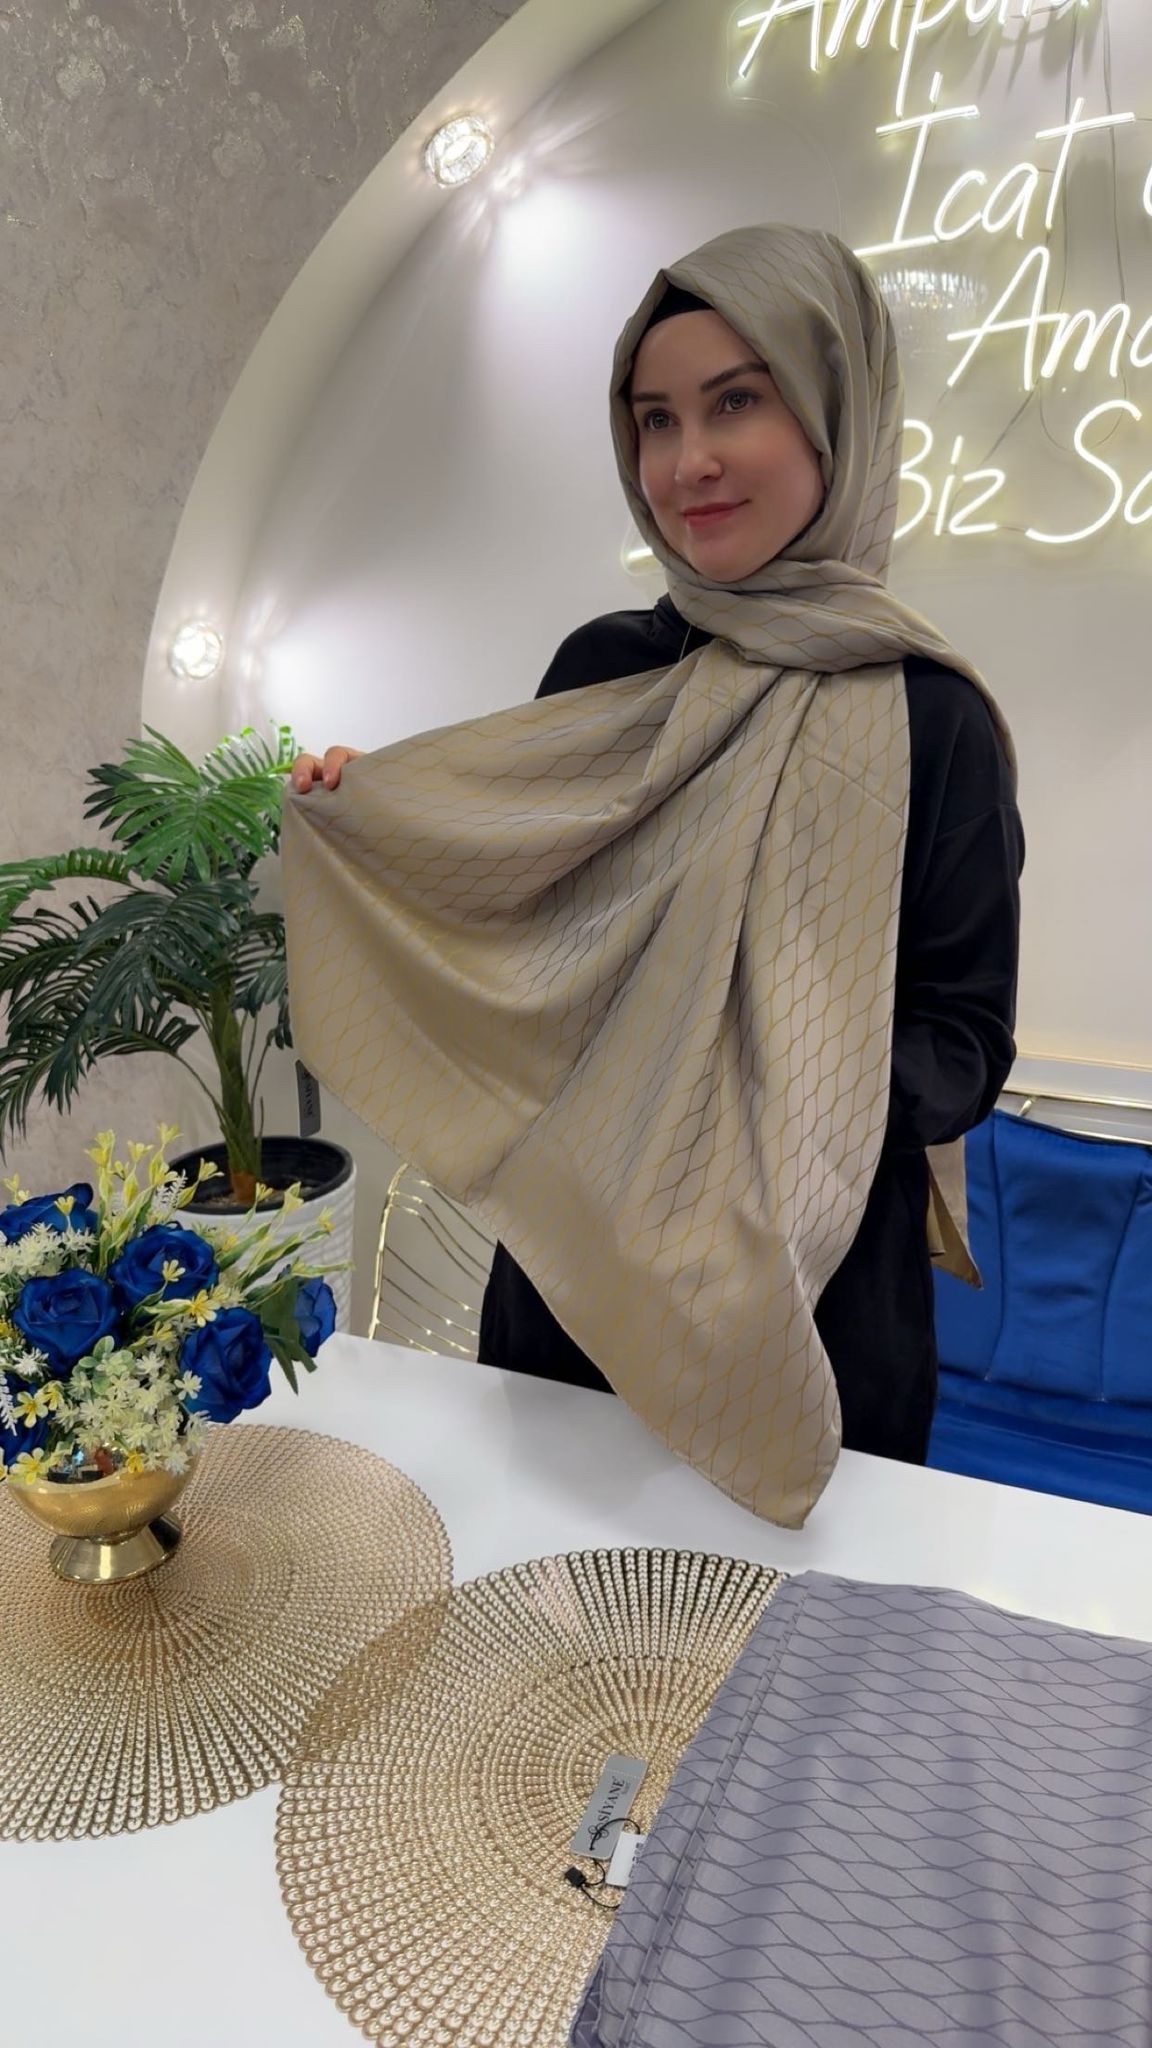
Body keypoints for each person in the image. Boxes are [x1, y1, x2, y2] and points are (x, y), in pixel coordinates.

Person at [285, 222, 1022, 1525]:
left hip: (813, 1307)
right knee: (551, 1617)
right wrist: (384, 822)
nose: (689, 462)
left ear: (835, 413)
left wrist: (765, 1085)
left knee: (781, 1650)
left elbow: (965, 1041)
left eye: (737, 402)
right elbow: (523, 929)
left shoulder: (932, 718)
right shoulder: (607, 668)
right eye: (655, 420)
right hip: (572, 1284)